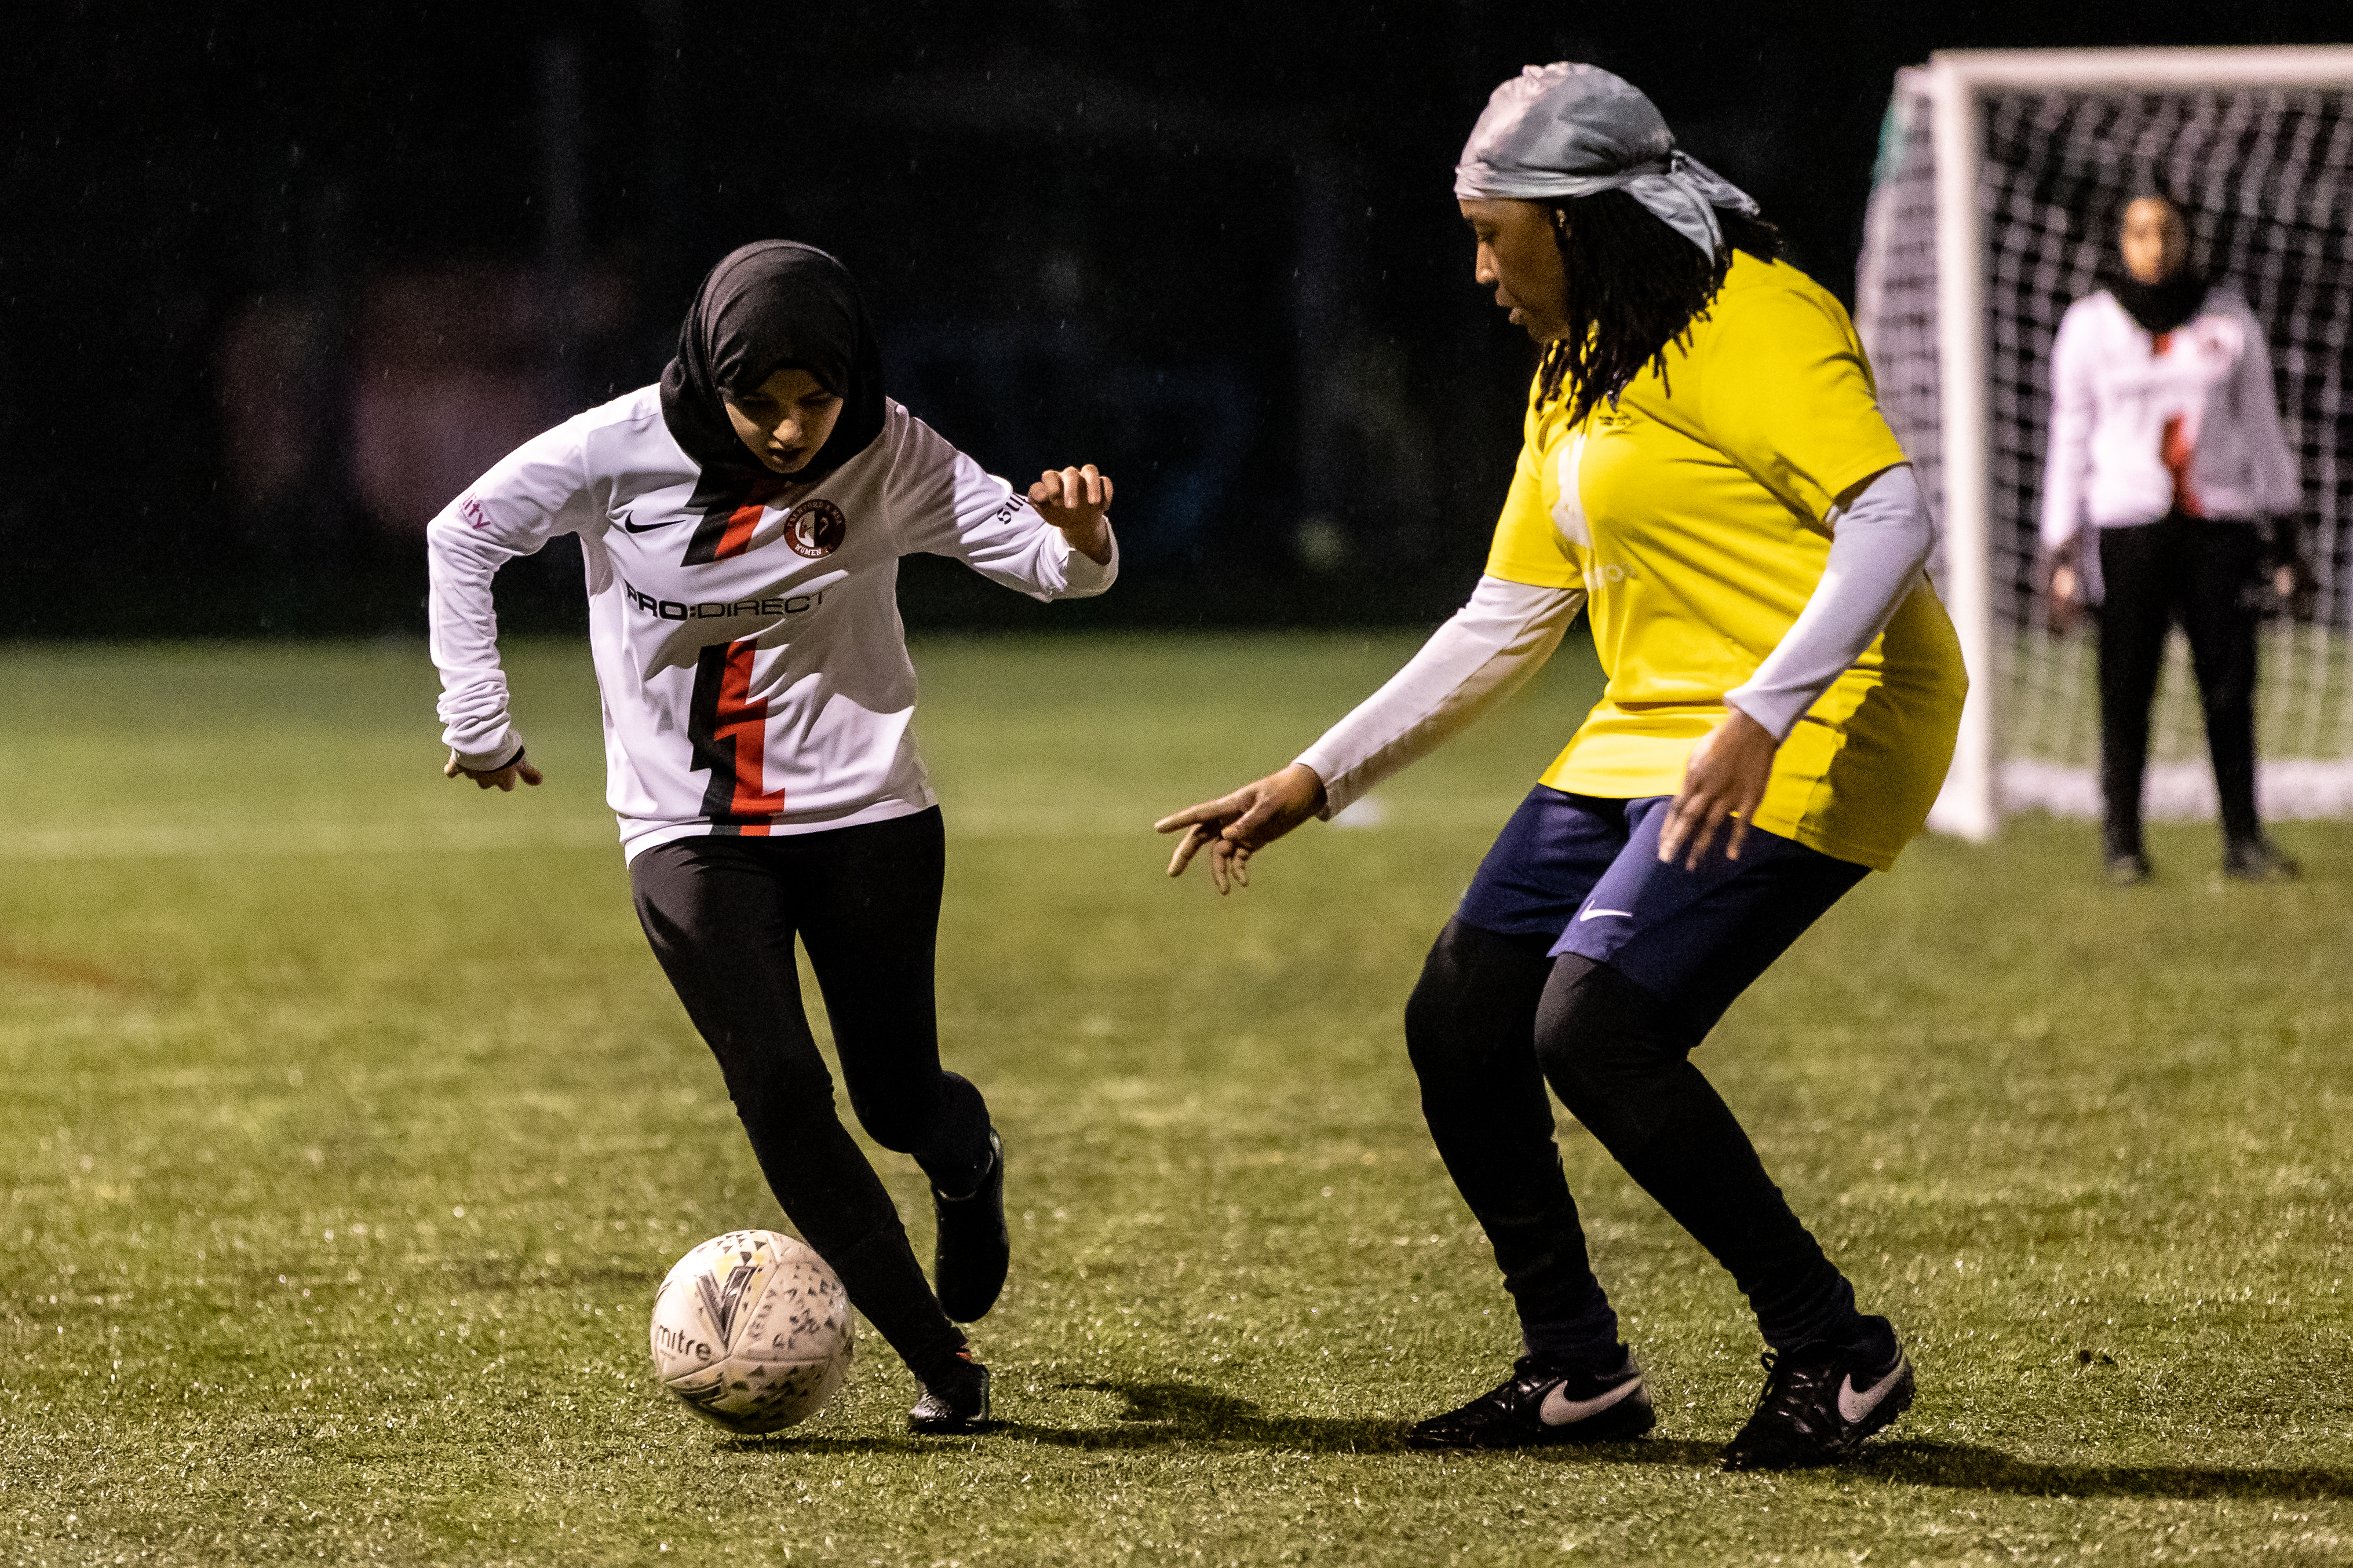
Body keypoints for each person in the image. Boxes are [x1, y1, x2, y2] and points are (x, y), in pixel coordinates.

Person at [1155, 64, 1965, 1471]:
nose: (1479, 268)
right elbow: (1508, 614)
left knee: (1594, 1026)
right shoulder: (1580, 366)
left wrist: (1761, 713)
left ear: (1579, 220)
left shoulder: (1762, 318)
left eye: (1493, 232)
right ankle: (1577, 1367)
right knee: (1462, 1014)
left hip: (1829, 716)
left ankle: (1837, 1348)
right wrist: (1314, 776)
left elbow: (1893, 517)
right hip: (1658, 722)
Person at [427, 240, 1119, 1435]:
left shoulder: (890, 449)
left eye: (816, 400)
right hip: (686, 829)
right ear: (707, 375)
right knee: (781, 1086)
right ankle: (937, 1358)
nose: (792, 431)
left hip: (867, 818)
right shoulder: (614, 447)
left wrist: (1083, 533)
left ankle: (966, 1160)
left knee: (894, 1098)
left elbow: (1055, 570)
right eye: (761, 403)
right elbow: (465, 532)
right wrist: (475, 714)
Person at [2041, 192, 2311, 885]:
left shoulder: (2228, 320)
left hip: (2217, 524)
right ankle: (2122, 843)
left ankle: (2243, 840)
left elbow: (2262, 430)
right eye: (2138, 231)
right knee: (2126, 687)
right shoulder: (2089, 326)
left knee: (2228, 687)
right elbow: (2068, 439)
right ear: (2118, 239)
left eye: (2166, 230)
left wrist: (2284, 532)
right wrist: (2059, 547)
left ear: (2189, 236)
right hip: (2128, 526)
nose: (2153, 245)